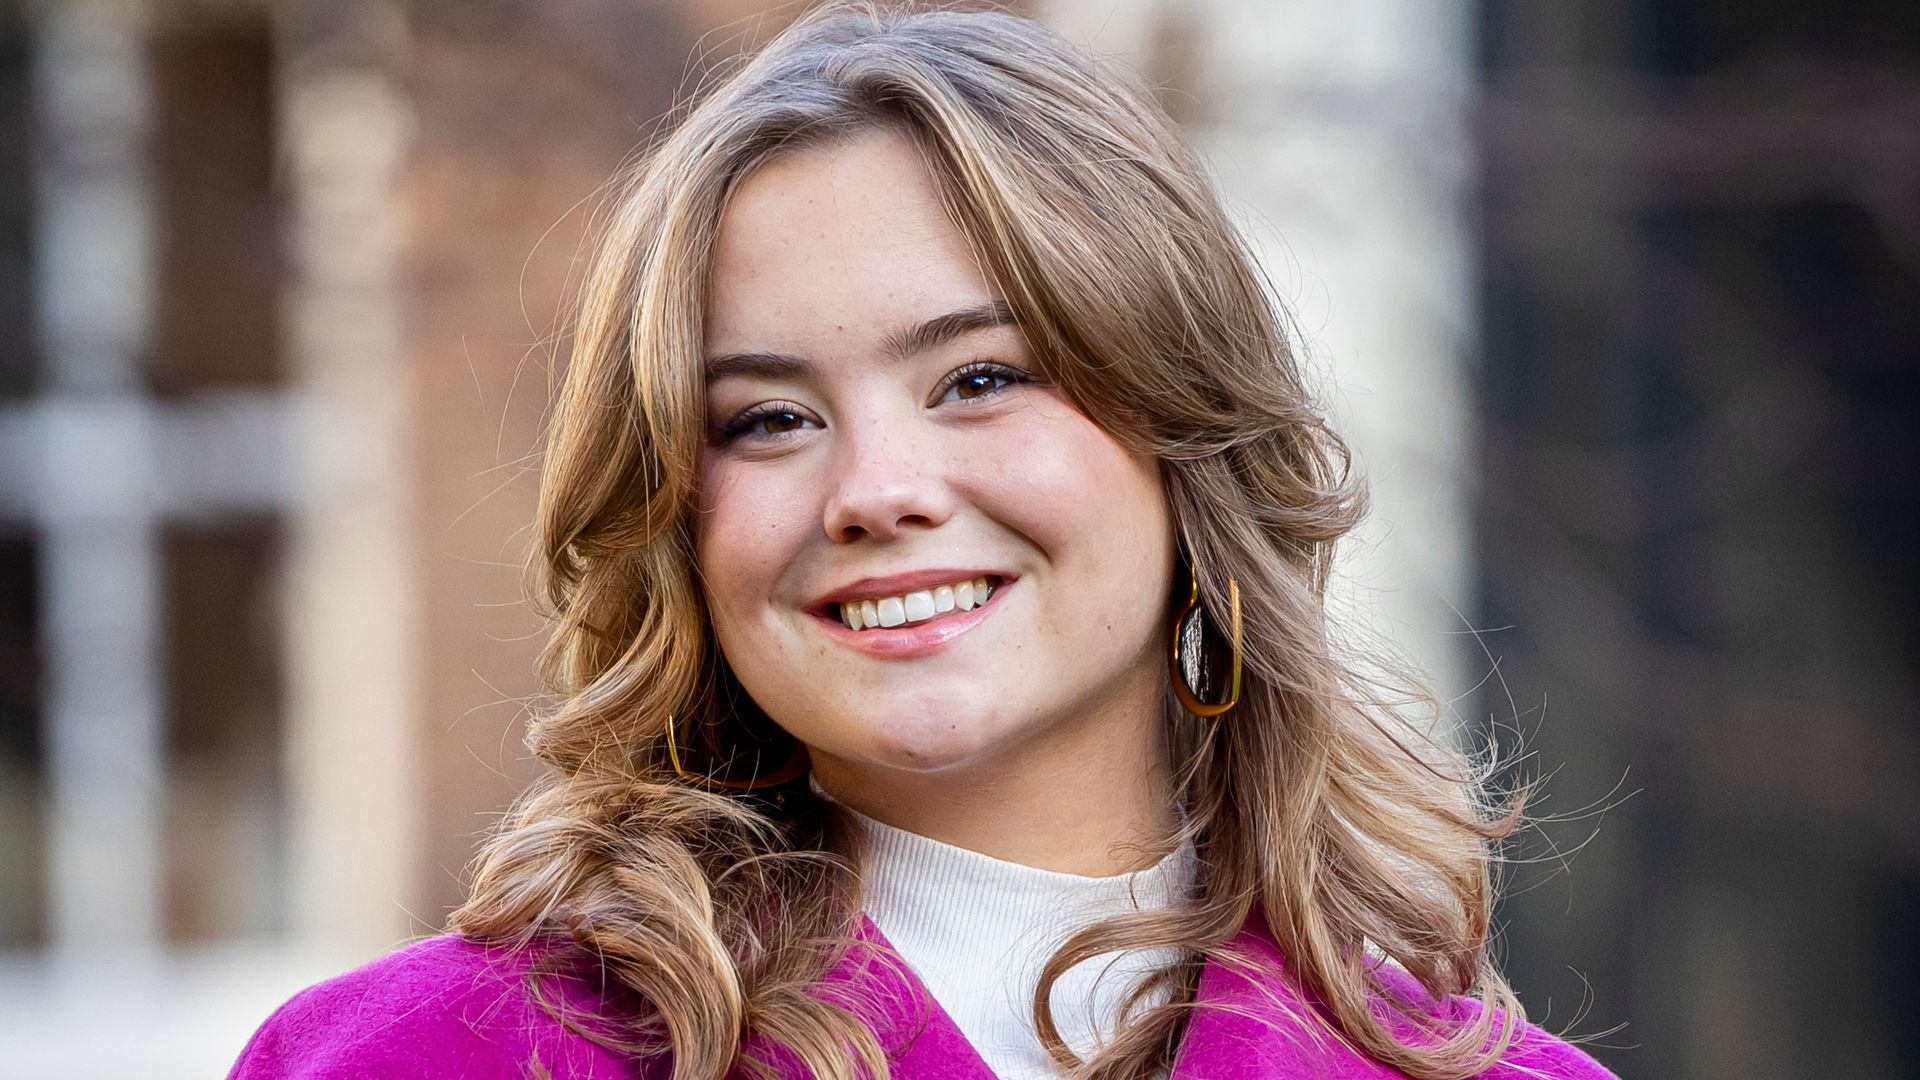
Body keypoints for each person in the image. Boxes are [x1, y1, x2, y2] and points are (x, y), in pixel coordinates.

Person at [230, 3, 1618, 1078]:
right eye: (767, 417)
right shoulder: (416, 1058)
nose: (876, 489)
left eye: (979, 379)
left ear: (1183, 434)